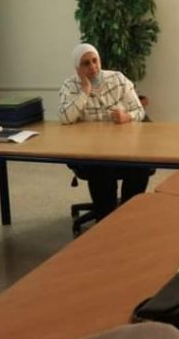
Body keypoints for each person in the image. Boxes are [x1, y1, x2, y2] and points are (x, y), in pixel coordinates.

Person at [59, 43, 151, 222]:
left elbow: (139, 111)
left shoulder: (118, 79)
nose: (92, 66)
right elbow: (65, 117)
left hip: (124, 147)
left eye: (95, 61)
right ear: (77, 68)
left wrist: (127, 116)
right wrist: (85, 91)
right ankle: (106, 221)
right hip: (92, 151)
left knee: (140, 167)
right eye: (86, 63)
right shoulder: (69, 86)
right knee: (101, 168)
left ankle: (128, 216)